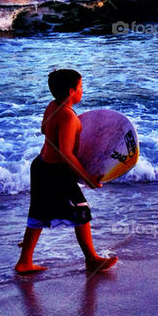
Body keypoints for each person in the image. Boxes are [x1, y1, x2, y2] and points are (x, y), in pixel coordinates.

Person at [15, 69, 117, 274]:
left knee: (38, 213)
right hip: (56, 172)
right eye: (80, 87)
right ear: (71, 91)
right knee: (82, 210)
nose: (82, 91)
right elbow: (66, 155)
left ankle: (25, 261)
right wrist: (87, 178)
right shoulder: (69, 117)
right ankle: (91, 259)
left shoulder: (53, 106)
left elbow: (45, 129)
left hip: (40, 166)